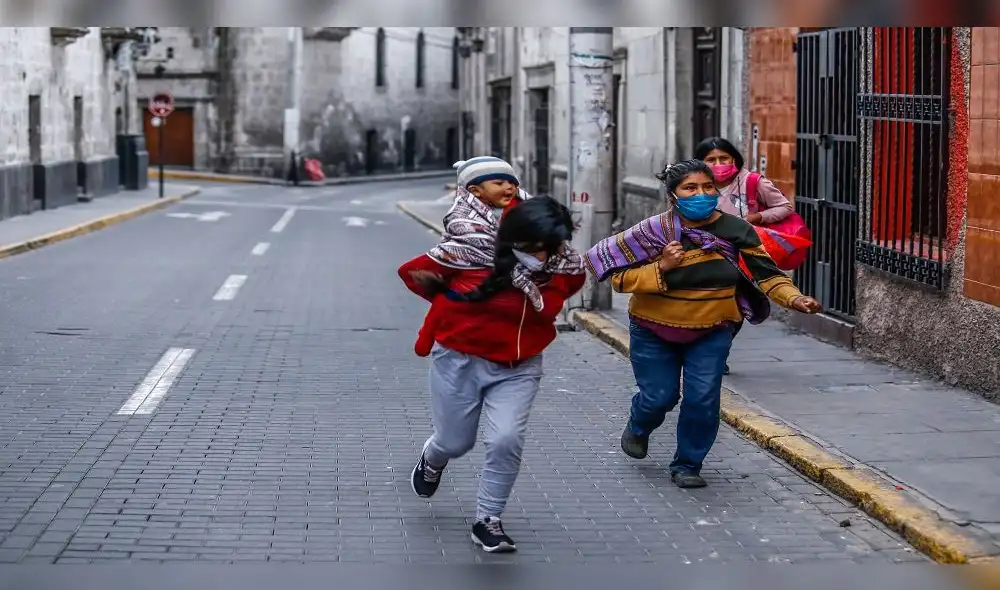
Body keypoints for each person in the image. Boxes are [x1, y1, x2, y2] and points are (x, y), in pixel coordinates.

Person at [584, 159, 822, 489]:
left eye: (708, 187)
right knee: (659, 397)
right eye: (691, 188)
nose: (702, 194)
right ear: (673, 196)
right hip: (653, 328)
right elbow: (619, 280)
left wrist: (795, 299)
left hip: (713, 328)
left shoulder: (738, 230)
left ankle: (688, 464)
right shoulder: (653, 231)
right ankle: (639, 425)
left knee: (703, 397)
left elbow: (767, 275)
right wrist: (663, 266)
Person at [398, 192, 586, 553]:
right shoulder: (472, 255)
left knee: (505, 440)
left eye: (549, 246)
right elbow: (412, 273)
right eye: (533, 246)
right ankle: (432, 458)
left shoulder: (562, 267)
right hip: (458, 359)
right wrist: (452, 304)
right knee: (455, 442)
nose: (542, 255)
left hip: (519, 366)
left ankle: (488, 520)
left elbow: (568, 289)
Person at [694, 136, 793, 226]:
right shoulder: (694, 186)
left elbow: (785, 207)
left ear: (734, 159)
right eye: (711, 160)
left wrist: (757, 217)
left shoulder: (753, 181)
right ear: (700, 163)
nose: (718, 164)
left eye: (724, 158)